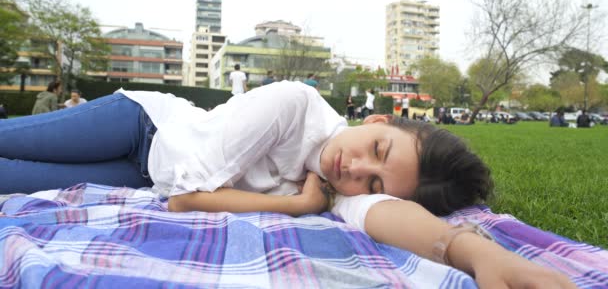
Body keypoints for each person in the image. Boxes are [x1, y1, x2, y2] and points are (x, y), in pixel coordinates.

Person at [0, 81, 575, 288]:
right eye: (375, 150)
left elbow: (385, 215)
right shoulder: (295, 107)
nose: (353, 171)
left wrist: (473, 252)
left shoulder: (345, 188)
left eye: (374, 180)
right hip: (143, 125)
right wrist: (300, 205)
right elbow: (186, 200)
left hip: (139, 175)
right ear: (377, 123)